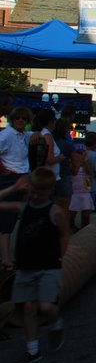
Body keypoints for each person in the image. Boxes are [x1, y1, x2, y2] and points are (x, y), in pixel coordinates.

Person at [0, 169, 68, 363]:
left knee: (45, 306)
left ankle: (56, 322)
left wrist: (60, 256)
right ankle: (32, 350)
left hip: (48, 266)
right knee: (28, 308)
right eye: (33, 191)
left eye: (41, 192)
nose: (36, 196)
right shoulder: (23, 208)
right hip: (26, 266)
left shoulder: (55, 212)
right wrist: (13, 187)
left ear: (49, 191)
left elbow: (64, 234)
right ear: (28, 189)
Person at [0, 106, 31, 271]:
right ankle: (6, 258)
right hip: (9, 179)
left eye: (24, 118)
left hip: (20, 177)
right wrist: (4, 170)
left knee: (17, 217)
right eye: (18, 118)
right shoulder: (7, 135)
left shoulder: (22, 135)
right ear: (12, 119)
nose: (21, 121)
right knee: (7, 219)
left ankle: (10, 256)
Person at [67, 142, 94, 232]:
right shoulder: (72, 165)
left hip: (85, 192)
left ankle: (85, 227)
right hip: (75, 192)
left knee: (86, 213)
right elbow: (73, 173)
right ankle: (71, 227)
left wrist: (85, 161)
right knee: (72, 214)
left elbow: (90, 172)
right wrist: (78, 163)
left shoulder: (86, 164)